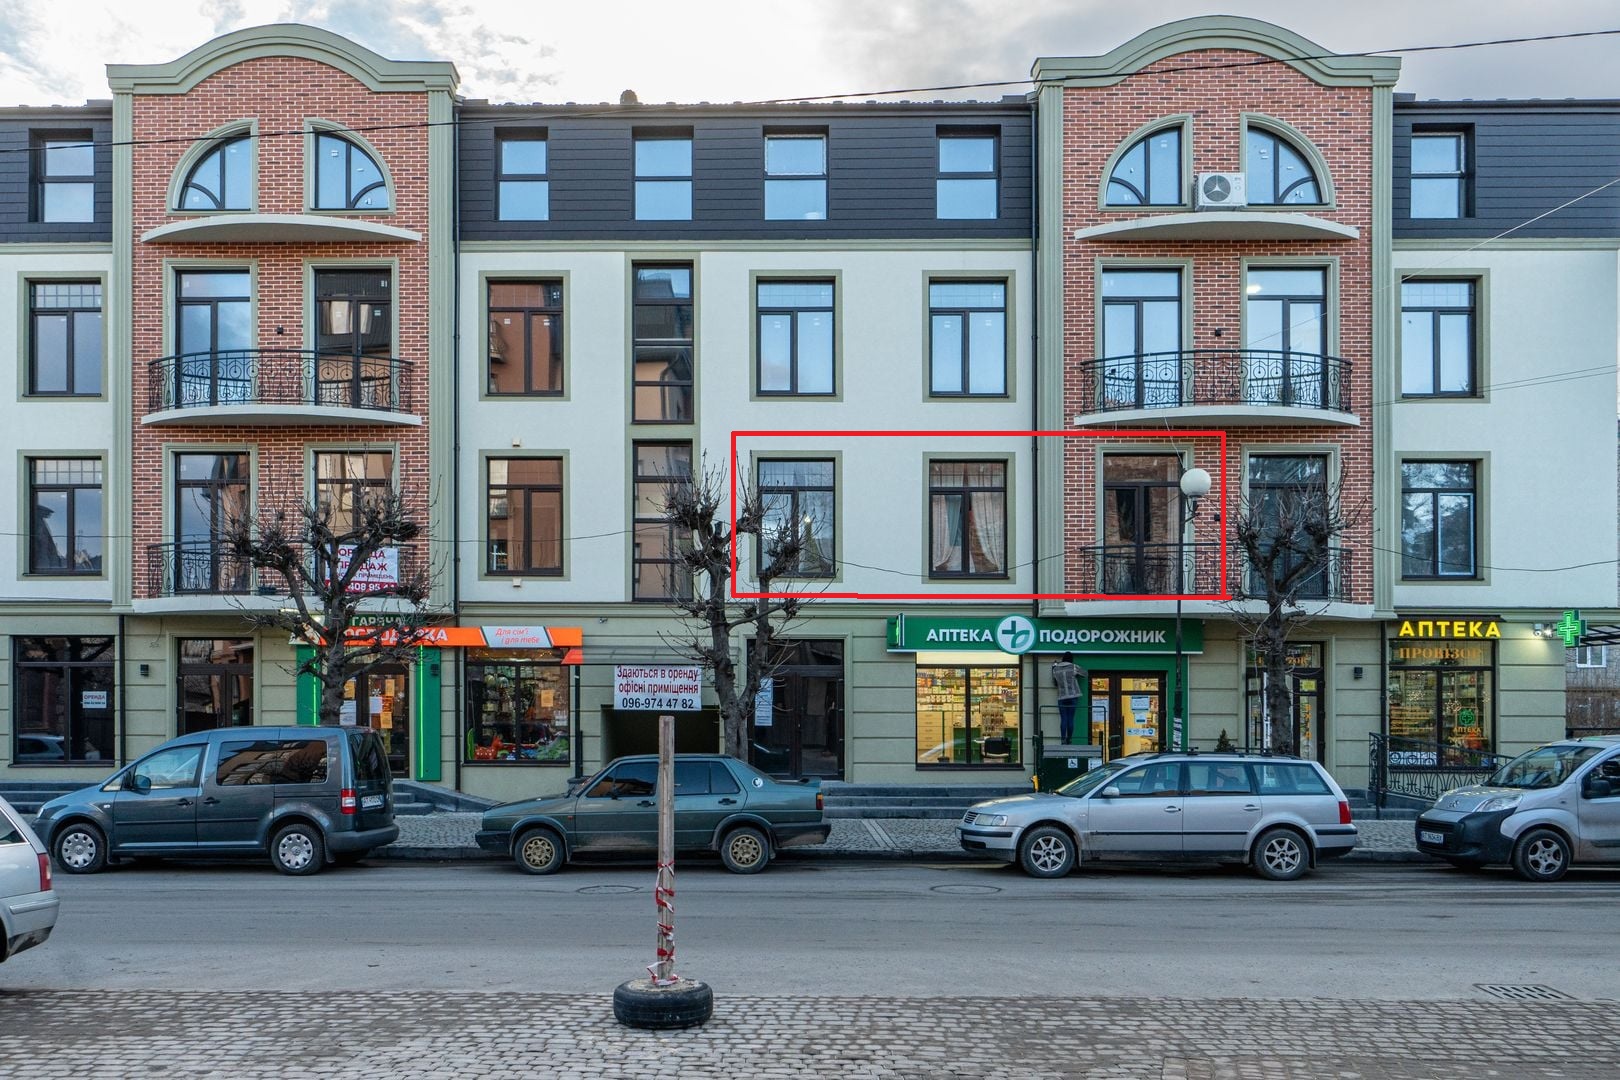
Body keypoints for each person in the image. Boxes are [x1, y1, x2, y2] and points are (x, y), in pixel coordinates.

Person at [1051, 652, 1082, 744]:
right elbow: (1084, 674)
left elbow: (1054, 683)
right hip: (1073, 695)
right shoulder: (1074, 667)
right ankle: (1070, 738)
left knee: (1063, 718)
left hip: (1062, 696)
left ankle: (1063, 739)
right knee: (1071, 718)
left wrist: (1053, 667)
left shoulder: (1055, 669)